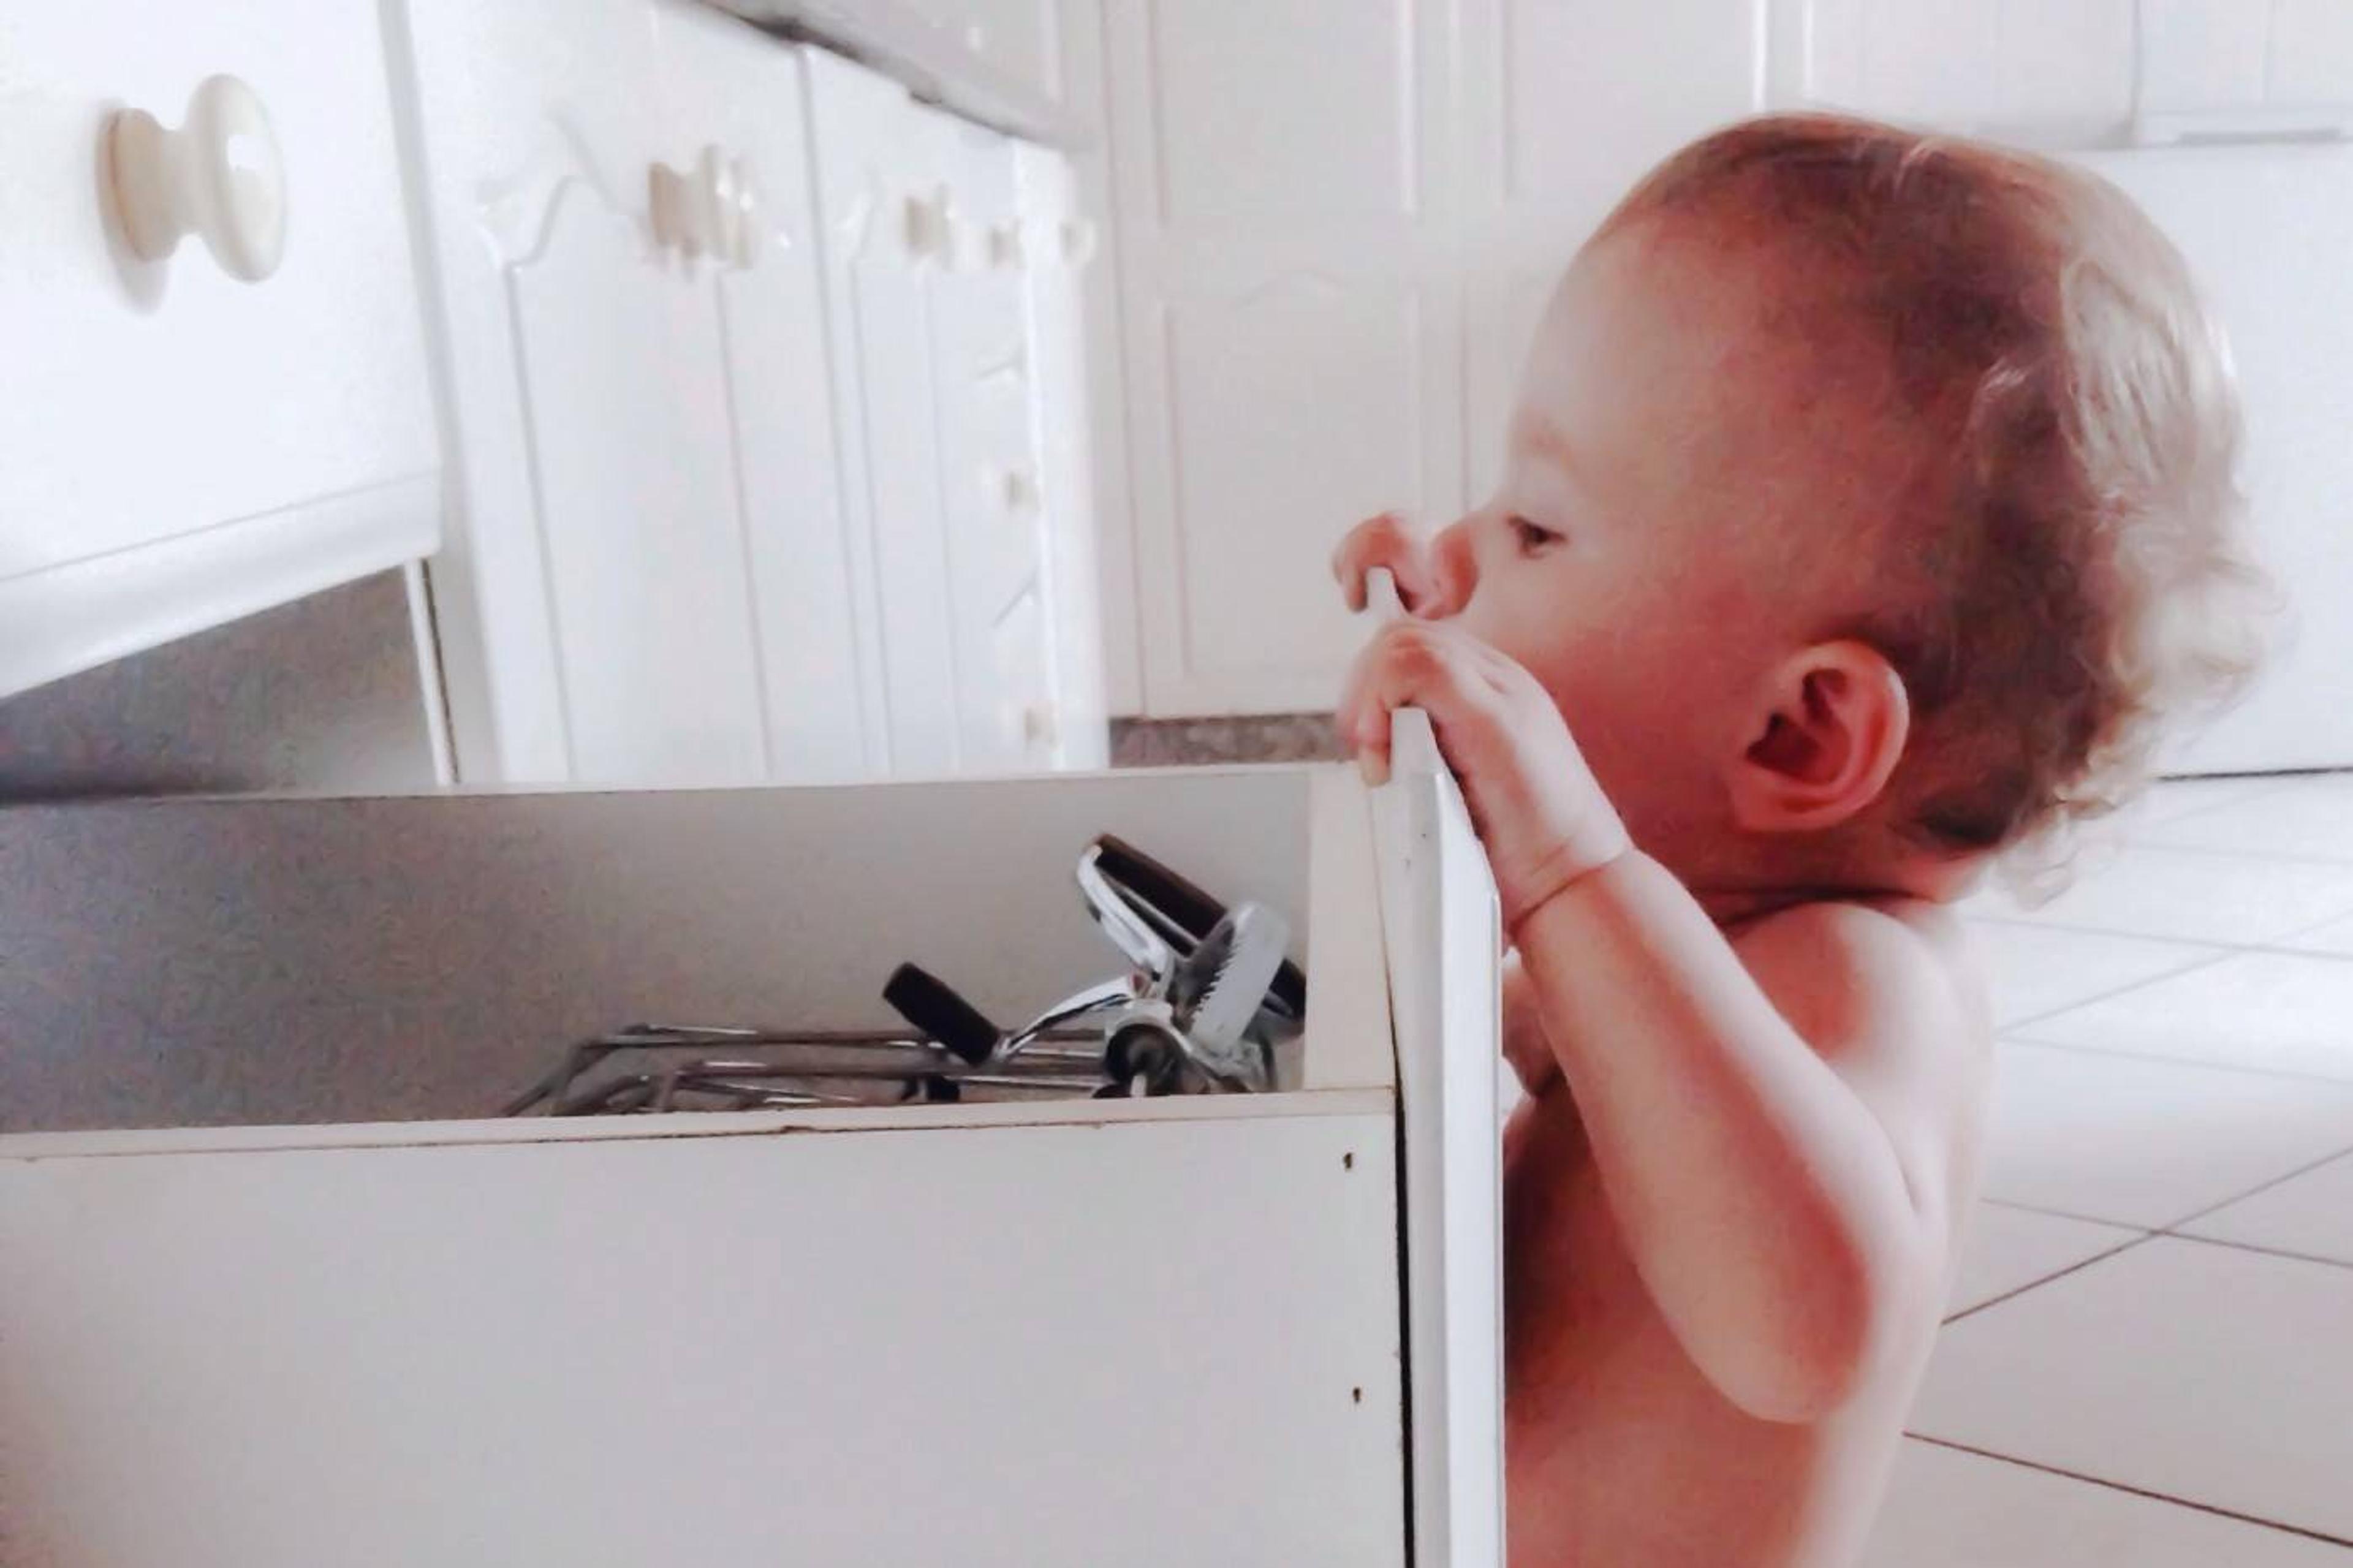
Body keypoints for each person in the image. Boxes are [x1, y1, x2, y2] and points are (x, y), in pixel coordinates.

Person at [1330, 113, 2264, 1567]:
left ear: (1799, 735)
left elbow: (1807, 1326)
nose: (1462, 551)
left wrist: (1571, 864)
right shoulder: (1719, 951)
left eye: (1537, 529)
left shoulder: (1858, 981)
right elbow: (1547, 1074)